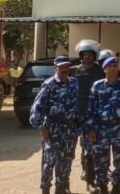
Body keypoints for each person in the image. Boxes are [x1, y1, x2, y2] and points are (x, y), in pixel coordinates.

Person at [85, 56, 120, 194]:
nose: (113, 68)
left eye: (115, 65)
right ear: (104, 69)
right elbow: (90, 108)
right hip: (101, 128)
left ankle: (116, 187)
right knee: (100, 161)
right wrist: (90, 129)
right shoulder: (97, 86)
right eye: (110, 66)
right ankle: (103, 187)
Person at [29, 56, 80, 194]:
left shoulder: (74, 83)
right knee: (49, 162)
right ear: (55, 68)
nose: (65, 69)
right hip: (53, 128)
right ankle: (45, 189)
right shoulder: (49, 84)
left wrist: (78, 127)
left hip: (70, 129)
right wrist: (41, 127)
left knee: (66, 161)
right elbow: (36, 108)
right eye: (62, 67)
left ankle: (61, 189)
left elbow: (78, 106)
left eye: (67, 67)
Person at [73, 39, 105, 194]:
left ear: (94, 56)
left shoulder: (101, 71)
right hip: (80, 112)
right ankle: (89, 178)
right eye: (84, 54)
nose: (87, 57)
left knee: (97, 146)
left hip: (98, 113)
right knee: (86, 146)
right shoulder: (75, 71)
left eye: (89, 54)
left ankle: (97, 176)